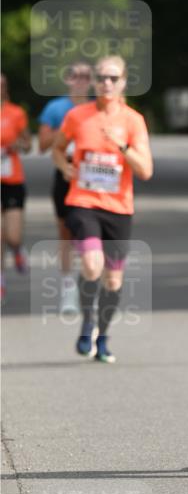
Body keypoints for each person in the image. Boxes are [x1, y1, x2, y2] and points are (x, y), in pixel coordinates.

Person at [52, 55, 153, 362]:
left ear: (123, 82)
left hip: (118, 208)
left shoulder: (133, 120)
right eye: (101, 78)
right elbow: (57, 148)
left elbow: (145, 170)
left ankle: (103, 336)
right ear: (94, 82)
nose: (106, 83)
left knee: (112, 280)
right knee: (92, 265)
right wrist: (64, 167)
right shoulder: (77, 116)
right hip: (83, 202)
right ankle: (87, 323)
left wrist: (122, 146)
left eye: (113, 78)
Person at [38, 62, 93, 314]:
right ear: (68, 79)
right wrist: (67, 127)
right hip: (65, 174)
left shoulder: (97, 108)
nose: (81, 80)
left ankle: (90, 285)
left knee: (91, 233)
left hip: (91, 176)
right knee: (66, 234)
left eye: (86, 76)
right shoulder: (56, 108)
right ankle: (68, 289)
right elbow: (42, 145)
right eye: (76, 76)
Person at [1, 72, 32, 301]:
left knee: (12, 235)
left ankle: (17, 248)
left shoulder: (16, 113)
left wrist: (15, 145)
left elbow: (28, 144)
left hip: (12, 181)